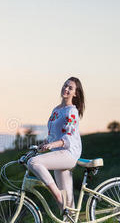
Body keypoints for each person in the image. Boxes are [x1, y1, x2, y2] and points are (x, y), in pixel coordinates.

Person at [27, 77, 84, 215]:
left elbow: (68, 138)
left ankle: (57, 196)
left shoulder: (72, 111)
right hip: (58, 154)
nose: (66, 89)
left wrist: (52, 145)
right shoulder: (57, 109)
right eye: (65, 86)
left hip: (68, 153)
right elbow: (53, 134)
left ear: (75, 93)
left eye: (70, 88)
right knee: (68, 200)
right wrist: (43, 145)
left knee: (33, 163)